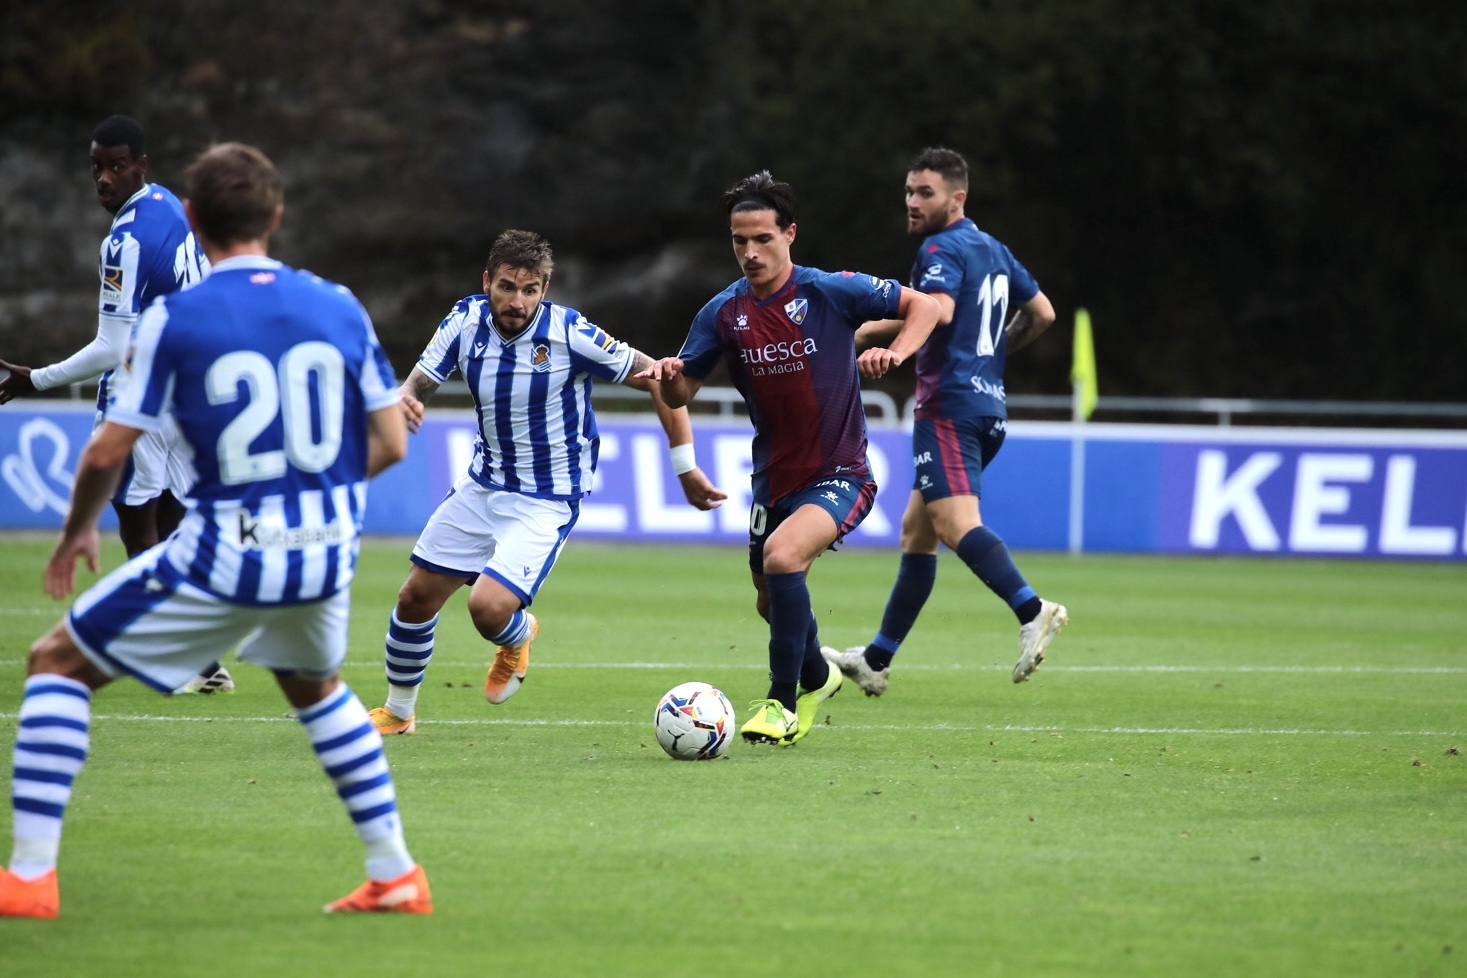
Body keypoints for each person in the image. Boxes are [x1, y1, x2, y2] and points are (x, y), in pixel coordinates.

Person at [0, 142, 431, 918]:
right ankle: (394, 870)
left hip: (235, 545)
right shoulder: (337, 302)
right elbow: (393, 441)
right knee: (316, 688)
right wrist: (318, 490)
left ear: (191, 220)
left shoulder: (174, 318)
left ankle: (29, 879)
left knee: (55, 663)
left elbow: (107, 448)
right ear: (277, 216)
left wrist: (73, 534)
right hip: (327, 545)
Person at [367, 229, 725, 736]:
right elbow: (420, 379)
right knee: (414, 599)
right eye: (507, 287)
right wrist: (405, 397)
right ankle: (399, 713)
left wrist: (685, 466)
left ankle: (517, 635)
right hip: (483, 483)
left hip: (547, 497)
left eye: (530, 290)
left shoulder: (570, 334)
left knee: (487, 608)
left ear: (545, 288)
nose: (517, 301)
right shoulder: (465, 320)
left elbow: (663, 381)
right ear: (487, 280)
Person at [639, 171, 940, 745]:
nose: (749, 253)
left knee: (782, 561)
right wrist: (672, 378)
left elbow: (923, 306)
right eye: (738, 241)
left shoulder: (830, 291)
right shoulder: (722, 314)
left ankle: (781, 704)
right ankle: (819, 676)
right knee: (768, 599)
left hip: (841, 473)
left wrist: (895, 352)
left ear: (790, 234)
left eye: (762, 239)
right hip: (772, 479)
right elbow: (681, 394)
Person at [0, 115, 232, 696]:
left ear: (141, 166)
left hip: (140, 395)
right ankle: (201, 650)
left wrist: (39, 379)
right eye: (96, 167)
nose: (104, 178)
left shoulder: (123, 241)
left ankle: (170, 653)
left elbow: (113, 346)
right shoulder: (174, 207)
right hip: (189, 388)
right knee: (174, 516)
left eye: (116, 166)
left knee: (136, 522)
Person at [824, 146, 1067, 696]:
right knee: (918, 531)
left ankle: (1034, 609)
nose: (912, 202)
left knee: (956, 526)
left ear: (957, 199)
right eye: (909, 191)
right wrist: (992, 359)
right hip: (988, 408)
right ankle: (877, 659)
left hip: (950, 409)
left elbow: (938, 307)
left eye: (925, 193)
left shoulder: (942, 246)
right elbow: (1043, 313)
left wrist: (871, 331)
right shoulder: (995, 249)